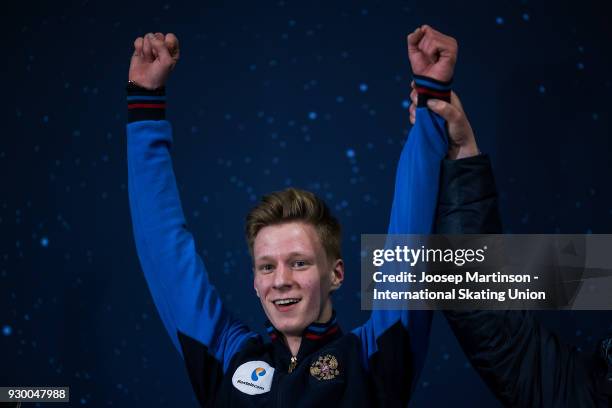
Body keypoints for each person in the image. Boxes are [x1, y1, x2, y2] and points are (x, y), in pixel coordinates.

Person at [125, 26, 497, 406]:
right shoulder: (227, 355)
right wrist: (145, 104)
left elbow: (409, 233)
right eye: (267, 267)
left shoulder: (372, 357)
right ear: (254, 281)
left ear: (336, 273)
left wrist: (431, 108)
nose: (281, 281)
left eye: (299, 262)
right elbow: (164, 249)